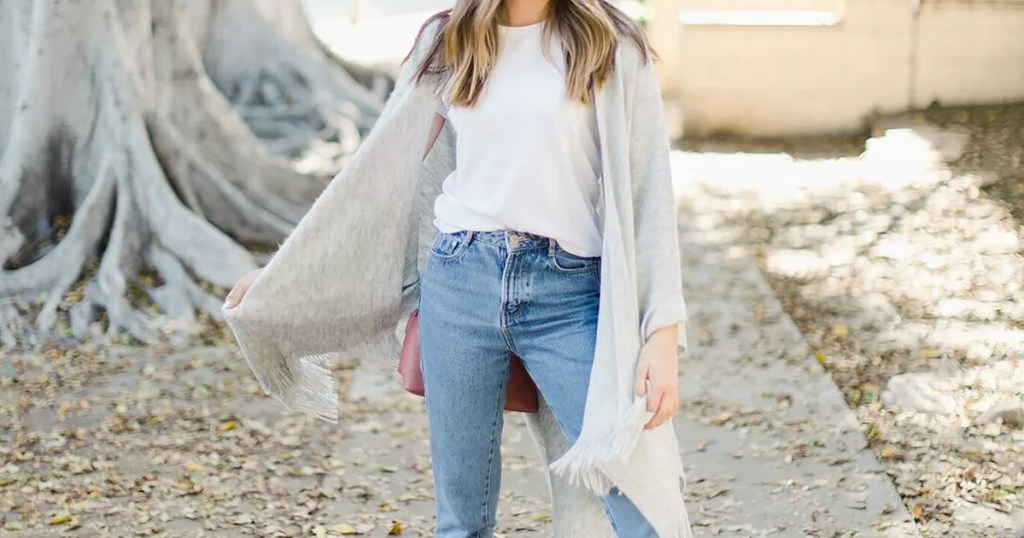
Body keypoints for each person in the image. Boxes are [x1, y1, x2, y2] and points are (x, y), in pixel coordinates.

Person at [223, 1, 691, 536]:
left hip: (569, 292)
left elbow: (650, 191)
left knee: (639, 496)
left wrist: (661, 331)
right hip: (460, 282)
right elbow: (378, 175)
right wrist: (284, 273)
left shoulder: (611, 45)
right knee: (461, 523)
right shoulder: (448, 42)